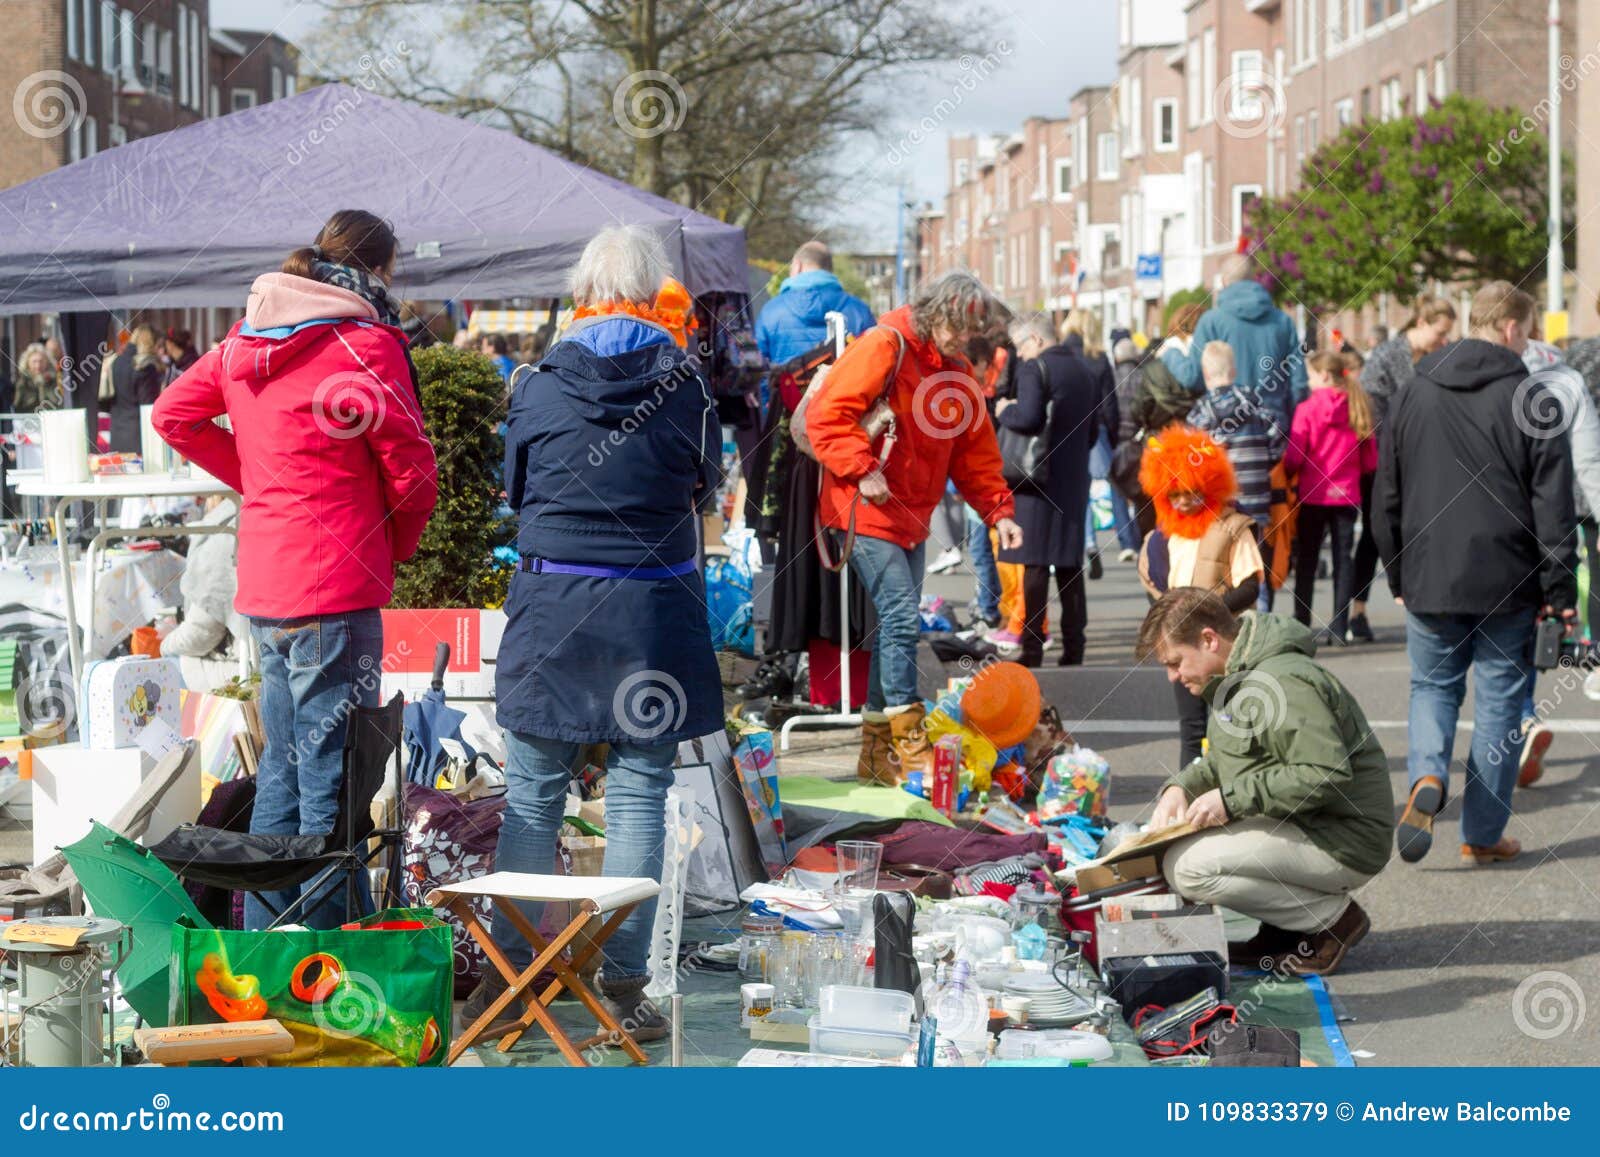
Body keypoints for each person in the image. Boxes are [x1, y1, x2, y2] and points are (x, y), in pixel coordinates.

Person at [153, 208, 439, 930]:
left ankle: (269, 951)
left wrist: (257, 478)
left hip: (271, 587)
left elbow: (171, 416)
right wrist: (395, 543)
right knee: (331, 782)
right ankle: (330, 957)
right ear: (379, 269)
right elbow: (411, 471)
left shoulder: (246, 340)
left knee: (283, 768)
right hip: (334, 590)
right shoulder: (365, 342)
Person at [471, 225, 723, 1041]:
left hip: (554, 609)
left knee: (534, 797)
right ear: (653, 292)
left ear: (583, 290)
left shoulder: (537, 383)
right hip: (650, 612)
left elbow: (515, 491)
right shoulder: (686, 385)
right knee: (639, 796)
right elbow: (703, 487)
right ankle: (622, 987)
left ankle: (510, 978)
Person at [1373, 281, 1576, 868]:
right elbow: (1553, 508)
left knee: (1432, 687)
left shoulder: (1414, 390)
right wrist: (1560, 589)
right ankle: (1482, 833)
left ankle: (1426, 776)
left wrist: (1397, 571)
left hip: (1429, 571)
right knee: (1500, 706)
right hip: (1508, 577)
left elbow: (1387, 491)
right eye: (1530, 330)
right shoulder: (1532, 397)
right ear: (1511, 327)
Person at [807, 272, 1022, 783]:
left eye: (972, 333)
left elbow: (975, 455)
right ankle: (907, 743)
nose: (963, 340)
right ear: (938, 311)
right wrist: (863, 469)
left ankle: (876, 759)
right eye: (958, 328)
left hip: (909, 516)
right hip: (863, 508)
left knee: (893, 627)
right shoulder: (886, 344)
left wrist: (1000, 512)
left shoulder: (958, 372)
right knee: (902, 620)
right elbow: (826, 416)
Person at [1142, 589, 1393, 975]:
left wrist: (1230, 800)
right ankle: (1285, 929)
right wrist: (1181, 787)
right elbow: (1228, 760)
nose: (1173, 676)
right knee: (1178, 852)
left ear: (1209, 639)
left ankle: (1333, 922)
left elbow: (1323, 773)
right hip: (1310, 822)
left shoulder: (1283, 681)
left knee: (1188, 868)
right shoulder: (1239, 674)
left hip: (1344, 838)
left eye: (1175, 662)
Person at [757, 240, 877, 712]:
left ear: (797, 265)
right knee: (855, 575)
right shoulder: (859, 310)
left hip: (801, 468)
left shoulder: (772, 311)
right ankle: (857, 691)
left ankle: (821, 686)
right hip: (854, 463)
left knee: (809, 572)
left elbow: (769, 372)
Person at [1137, 426, 1265, 766]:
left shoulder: (1232, 527)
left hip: (1223, 645)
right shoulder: (1160, 539)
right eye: (1173, 493)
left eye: (1190, 492)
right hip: (1182, 647)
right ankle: (1188, 796)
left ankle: (1238, 787)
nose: (1181, 501)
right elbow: (1155, 589)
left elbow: (1250, 585)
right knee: (1191, 727)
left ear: (1209, 485)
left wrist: (1202, 614)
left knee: (1233, 720)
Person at [1349, 298, 1458, 639]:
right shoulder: (1390, 355)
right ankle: (1357, 612)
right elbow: (1378, 410)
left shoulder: (1428, 358)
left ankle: (1419, 605)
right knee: (1373, 533)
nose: (1444, 341)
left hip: (1410, 457)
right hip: (1381, 458)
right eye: (1440, 333)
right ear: (1421, 322)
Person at [995, 315, 1099, 668]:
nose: (1020, 355)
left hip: (1036, 480)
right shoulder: (1085, 370)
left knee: (1036, 566)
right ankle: (1074, 648)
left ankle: (1033, 647)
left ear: (1036, 340)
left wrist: (1004, 410)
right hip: (1072, 479)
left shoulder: (1034, 369)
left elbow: (1026, 418)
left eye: (1021, 346)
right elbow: (1095, 431)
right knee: (1070, 566)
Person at [1283, 350, 1377, 647]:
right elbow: (1370, 461)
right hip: (1347, 494)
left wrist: (1286, 473)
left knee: (1308, 560)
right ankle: (1338, 626)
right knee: (1343, 561)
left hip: (1313, 494)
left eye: (1310, 376)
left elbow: (1295, 456)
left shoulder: (1307, 410)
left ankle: (1301, 622)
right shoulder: (1358, 407)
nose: (1308, 383)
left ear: (1324, 375)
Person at [1172, 254, 1308, 426]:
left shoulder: (1211, 322)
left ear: (1223, 281)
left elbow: (1193, 377)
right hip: (1274, 429)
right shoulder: (1283, 321)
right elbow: (1299, 383)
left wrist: (1171, 354)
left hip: (1225, 430)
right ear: (1253, 279)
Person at [1060, 311, 1117, 580]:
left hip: (1065, 431)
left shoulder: (1061, 355)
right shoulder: (1099, 359)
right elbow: (1109, 404)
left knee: (1066, 491)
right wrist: (1112, 437)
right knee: (1091, 490)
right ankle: (1091, 544)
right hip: (1094, 429)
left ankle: (1073, 547)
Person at [1107, 337, 1145, 560]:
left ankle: (1127, 542)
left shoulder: (1111, 377)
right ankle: (1140, 538)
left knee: (1118, 491)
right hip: (1139, 442)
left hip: (1117, 441)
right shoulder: (1143, 377)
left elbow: (1107, 410)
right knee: (1141, 492)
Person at [107, 325, 163, 453]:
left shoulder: (117, 361)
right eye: (158, 345)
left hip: (117, 431)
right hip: (139, 434)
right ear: (151, 343)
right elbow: (148, 404)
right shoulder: (146, 367)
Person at [14, 341, 60, 413]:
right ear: (27, 363)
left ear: (47, 362)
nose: (38, 365)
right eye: (34, 361)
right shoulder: (22, 383)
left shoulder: (56, 381)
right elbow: (16, 406)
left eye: (41, 361)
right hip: (28, 421)